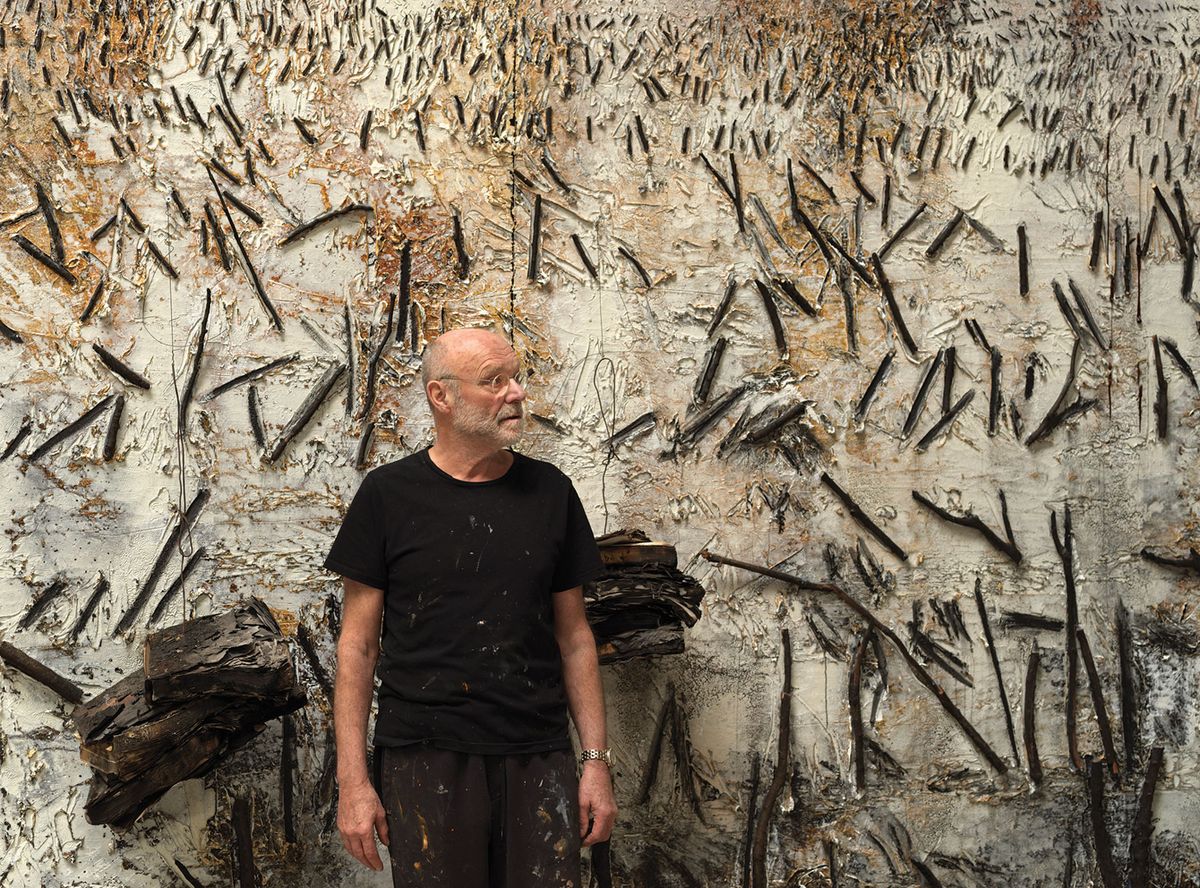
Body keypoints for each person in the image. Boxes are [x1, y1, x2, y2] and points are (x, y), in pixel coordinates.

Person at [324, 327, 617, 888]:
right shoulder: (387, 496)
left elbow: (575, 637)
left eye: (516, 377)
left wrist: (595, 762)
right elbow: (357, 647)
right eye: (494, 381)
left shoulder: (550, 492)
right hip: (424, 756)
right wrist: (353, 783)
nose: (516, 393)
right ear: (442, 397)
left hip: (538, 752)